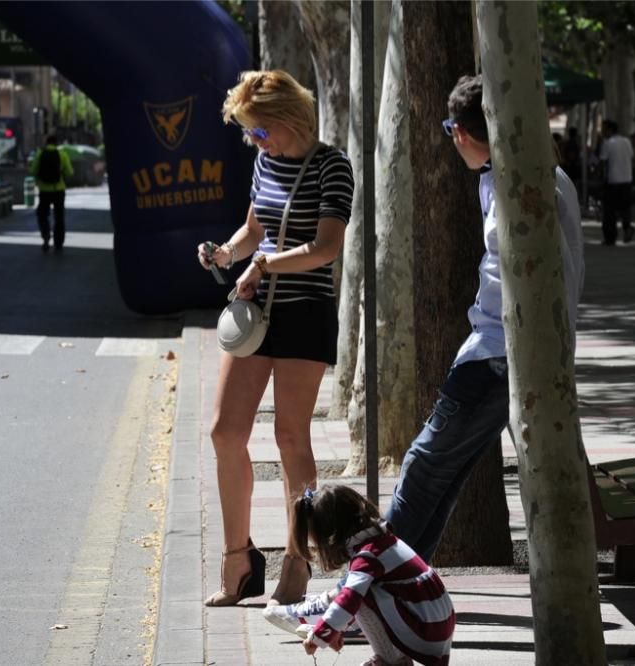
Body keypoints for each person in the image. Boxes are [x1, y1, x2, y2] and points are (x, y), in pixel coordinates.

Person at [264, 73, 584, 635]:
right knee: (443, 473)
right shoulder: (538, 175)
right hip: (513, 350)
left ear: (462, 133)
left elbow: (518, 274)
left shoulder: (515, 184)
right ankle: (391, 598)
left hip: (495, 353)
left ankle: (355, 601)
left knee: (422, 468)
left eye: (447, 130)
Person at [196, 69, 354, 607]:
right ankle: (238, 560)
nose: (254, 141)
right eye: (249, 132)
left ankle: (297, 558)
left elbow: (326, 247)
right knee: (223, 431)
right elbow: (255, 228)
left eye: (260, 130)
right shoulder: (264, 162)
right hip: (255, 314)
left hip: (304, 314)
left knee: (291, 438)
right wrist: (227, 253)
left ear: (289, 118)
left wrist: (262, 266)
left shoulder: (333, 166)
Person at [293, 486, 454, 666]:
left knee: (359, 596)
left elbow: (349, 599)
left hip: (427, 631)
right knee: (359, 591)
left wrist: (321, 635)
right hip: (435, 625)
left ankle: (393, 661)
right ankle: (392, 658)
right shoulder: (381, 542)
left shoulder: (368, 556)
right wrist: (338, 627)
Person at [30, 135, 74, 252]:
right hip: (59, 189)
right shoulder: (62, 154)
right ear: (56, 143)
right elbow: (70, 172)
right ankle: (58, 243)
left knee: (42, 214)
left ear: (46, 142)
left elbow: (33, 171)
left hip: (44, 190)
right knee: (59, 217)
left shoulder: (40, 154)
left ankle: (46, 235)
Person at [598, 119, 635, 244]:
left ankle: (610, 236)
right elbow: (631, 157)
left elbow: (603, 162)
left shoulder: (608, 143)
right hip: (627, 179)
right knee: (625, 207)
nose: (602, 132)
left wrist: (601, 178)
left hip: (612, 180)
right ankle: (627, 226)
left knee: (610, 210)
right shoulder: (626, 141)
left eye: (603, 129)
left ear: (609, 130)